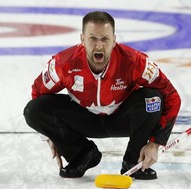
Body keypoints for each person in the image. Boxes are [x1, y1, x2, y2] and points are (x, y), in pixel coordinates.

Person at [23, 11, 181, 179]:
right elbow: (38, 92)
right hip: (84, 120)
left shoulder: (135, 62)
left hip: (123, 118)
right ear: (82, 39)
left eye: (105, 39)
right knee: (34, 110)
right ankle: (82, 154)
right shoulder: (63, 64)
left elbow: (171, 96)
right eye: (93, 38)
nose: (99, 46)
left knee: (152, 98)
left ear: (114, 40)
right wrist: (50, 136)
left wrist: (156, 142)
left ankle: (134, 161)